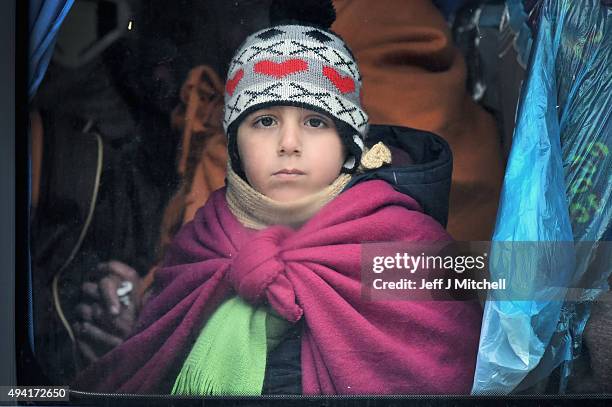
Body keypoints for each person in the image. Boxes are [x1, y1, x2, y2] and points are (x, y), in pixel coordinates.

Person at [73, 1, 482, 395]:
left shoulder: (402, 239)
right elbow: (153, 358)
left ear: (349, 146)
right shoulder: (199, 242)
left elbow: (527, 290)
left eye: (316, 121)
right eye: (265, 121)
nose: (289, 143)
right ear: (234, 144)